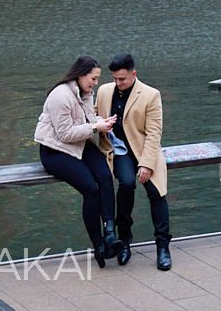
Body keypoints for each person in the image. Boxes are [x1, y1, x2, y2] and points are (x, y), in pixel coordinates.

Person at [34, 55, 122, 267]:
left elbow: (89, 119)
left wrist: (102, 122)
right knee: (90, 188)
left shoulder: (86, 92)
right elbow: (64, 134)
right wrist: (94, 128)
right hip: (55, 151)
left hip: (80, 144)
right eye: (93, 78)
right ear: (81, 75)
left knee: (105, 176)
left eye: (97, 79)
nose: (95, 83)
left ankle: (110, 233)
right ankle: (98, 244)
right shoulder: (60, 96)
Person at [96, 52, 172, 271]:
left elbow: (154, 133)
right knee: (127, 184)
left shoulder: (150, 95)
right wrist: (101, 122)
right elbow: (92, 115)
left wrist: (147, 163)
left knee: (156, 192)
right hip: (117, 151)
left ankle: (163, 246)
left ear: (133, 74)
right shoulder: (104, 92)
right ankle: (124, 240)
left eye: (122, 79)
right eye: (115, 79)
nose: (118, 83)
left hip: (143, 149)